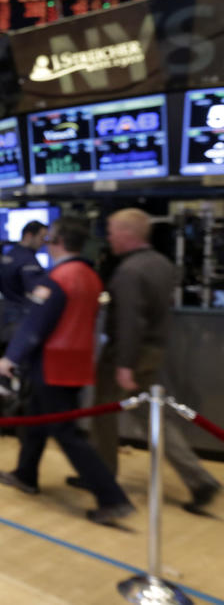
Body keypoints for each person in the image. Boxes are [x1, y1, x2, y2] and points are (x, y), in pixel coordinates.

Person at [0, 216, 135, 525]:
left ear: (56, 242)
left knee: (66, 433)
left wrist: (9, 359)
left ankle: (112, 498)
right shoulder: (91, 277)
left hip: (52, 365)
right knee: (35, 418)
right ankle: (25, 474)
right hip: (78, 363)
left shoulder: (57, 279)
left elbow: (35, 326)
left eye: (48, 239)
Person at [78, 208, 221, 513]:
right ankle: (199, 479)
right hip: (152, 351)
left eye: (113, 230)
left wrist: (124, 365)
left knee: (103, 414)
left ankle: (104, 479)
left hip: (126, 355)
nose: (109, 236)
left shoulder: (129, 272)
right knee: (152, 416)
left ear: (129, 234)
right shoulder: (162, 264)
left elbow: (130, 321)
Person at [0, 220, 48, 342]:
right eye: (41, 238)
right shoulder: (27, 259)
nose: (44, 242)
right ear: (29, 236)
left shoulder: (10, 254)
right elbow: (36, 292)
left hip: (8, 314)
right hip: (21, 316)